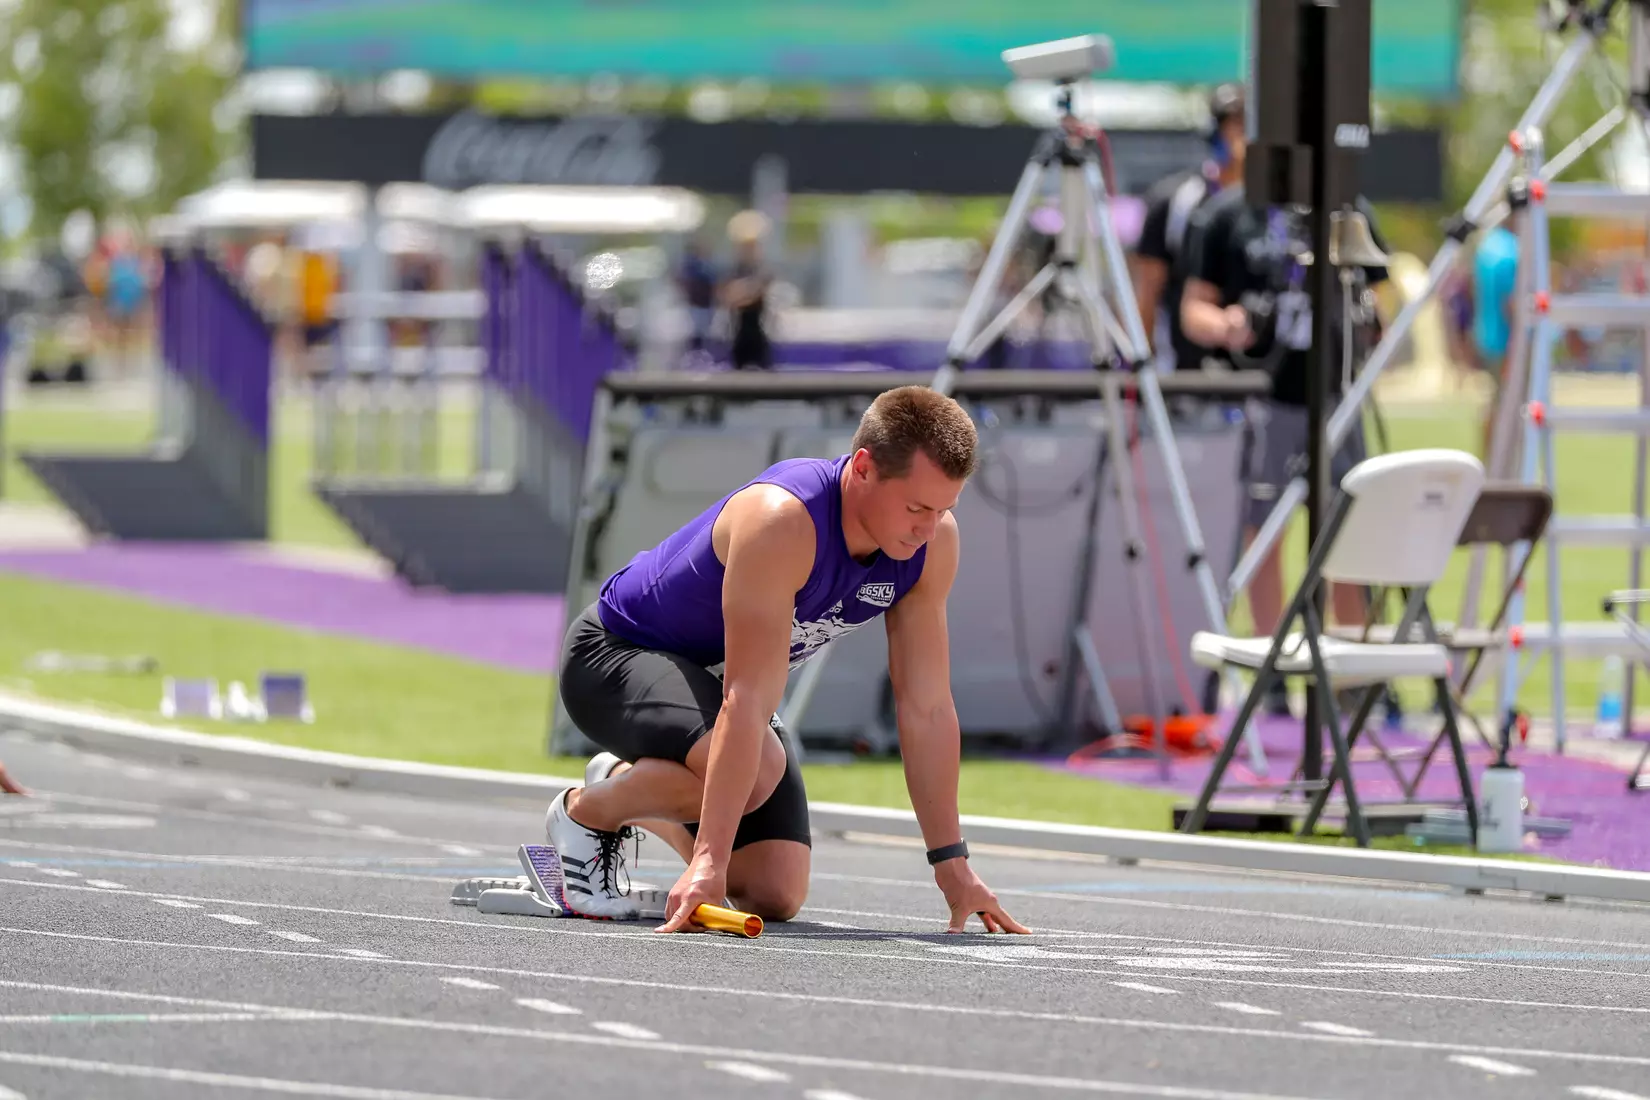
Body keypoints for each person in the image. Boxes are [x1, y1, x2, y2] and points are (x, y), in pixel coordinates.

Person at [547, 385, 1031, 936]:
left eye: (944, 508)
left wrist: (953, 866)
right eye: (917, 506)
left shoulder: (932, 543)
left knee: (773, 892)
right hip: (615, 657)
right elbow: (747, 700)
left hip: (718, 688)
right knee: (758, 768)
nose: (928, 528)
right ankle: (586, 811)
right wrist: (709, 860)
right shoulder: (782, 520)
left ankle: (629, 780)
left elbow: (926, 707)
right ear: (865, 468)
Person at [1180, 184, 1391, 716]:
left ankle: (1351, 666)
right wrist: (1228, 326)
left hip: (1337, 398)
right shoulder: (1230, 214)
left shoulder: (1349, 206)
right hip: (1262, 394)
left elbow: (1379, 299)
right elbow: (1194, 307)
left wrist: (1366, 323)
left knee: (1349, 531)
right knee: (1263, 527)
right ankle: (1269, 663)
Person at [1133, 82, 1248, 373]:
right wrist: (1140, 370)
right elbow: (1148, 292)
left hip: (1261, 374)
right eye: (1232, 124)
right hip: (1186, 373)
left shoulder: (1278, 207)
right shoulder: (1176, 201)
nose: (1239, 136)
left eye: (1246, 124)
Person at [1472, 212, 1522, 454]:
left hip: (1487, 337)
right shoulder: (1513, 250)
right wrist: (1519, 344)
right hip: (1507, 341)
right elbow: (1511, 303)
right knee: (1508, 404)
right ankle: (1501, 459)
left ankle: (1490, 457)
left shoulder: (1487, 246)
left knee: (1496, 402)